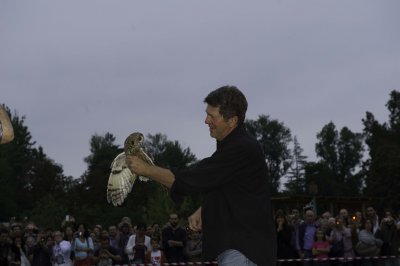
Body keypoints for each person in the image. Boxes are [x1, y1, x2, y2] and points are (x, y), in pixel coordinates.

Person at [126, 85, 276, 265]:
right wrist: (203, 210)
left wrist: (147, 170)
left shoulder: (240, 148)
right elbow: (225, 187)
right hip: (240, 250)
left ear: (232, 120)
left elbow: (194, 179)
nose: (206, 120)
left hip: (243, 251)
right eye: (207, 114)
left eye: (212, 116)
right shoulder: (233, 146)